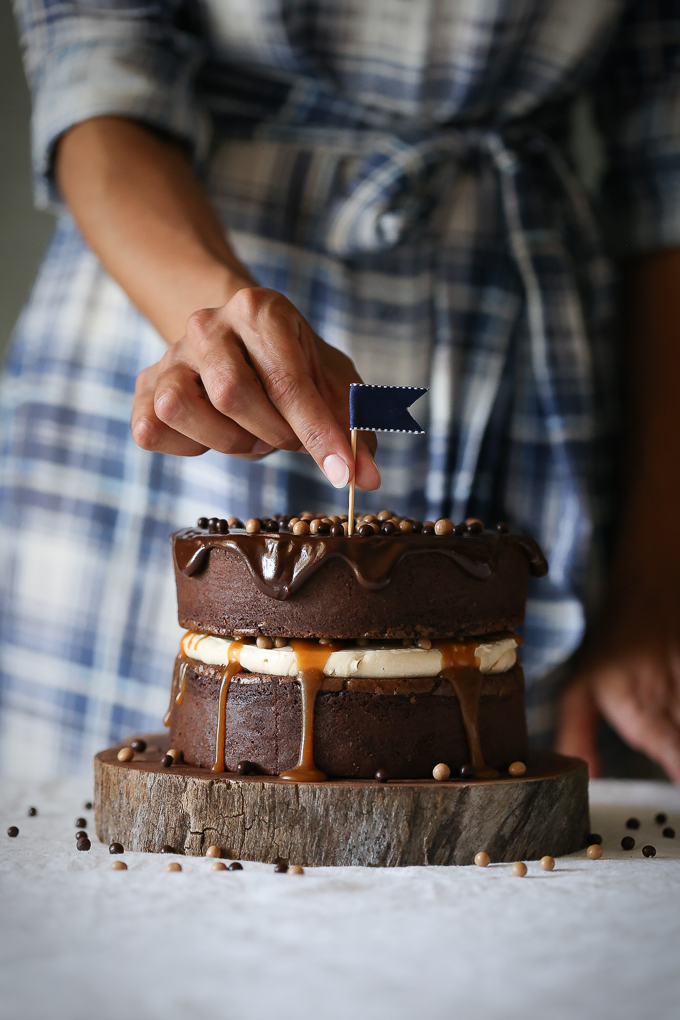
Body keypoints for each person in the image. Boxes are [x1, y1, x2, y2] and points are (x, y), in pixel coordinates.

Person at [1, 0, 679, 781]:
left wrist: (657, 578)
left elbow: (665, 166)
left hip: (531, 375)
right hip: (161, 300)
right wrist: (217, 324)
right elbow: (96, 76)